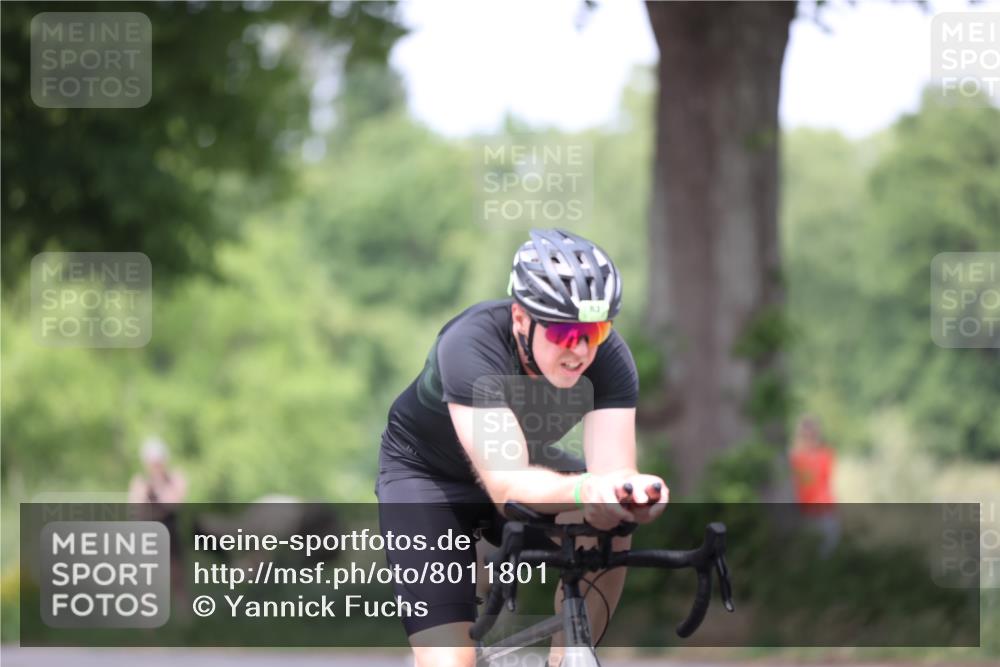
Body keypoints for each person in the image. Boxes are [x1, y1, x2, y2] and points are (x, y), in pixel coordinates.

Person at [375, 228, 668, 667]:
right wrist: (589, 489)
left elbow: (609, 481)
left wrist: (633, 498)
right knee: (451, 662)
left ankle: (569, 655)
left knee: (612, 529)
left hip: (527, 464)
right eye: (565, 334)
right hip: (428, 479)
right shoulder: (471, 345)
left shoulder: (610, 361)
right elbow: (507, 484)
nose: (581, 350)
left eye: (596, 330)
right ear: (519, 318)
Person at [789, 416, 839, 556]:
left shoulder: (826, 454)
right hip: (805, 513)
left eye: (813, 433)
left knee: (827, 554)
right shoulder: (794, 457)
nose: (810, 438)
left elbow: (826, 481)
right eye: (806, 434)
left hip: (825, 511)